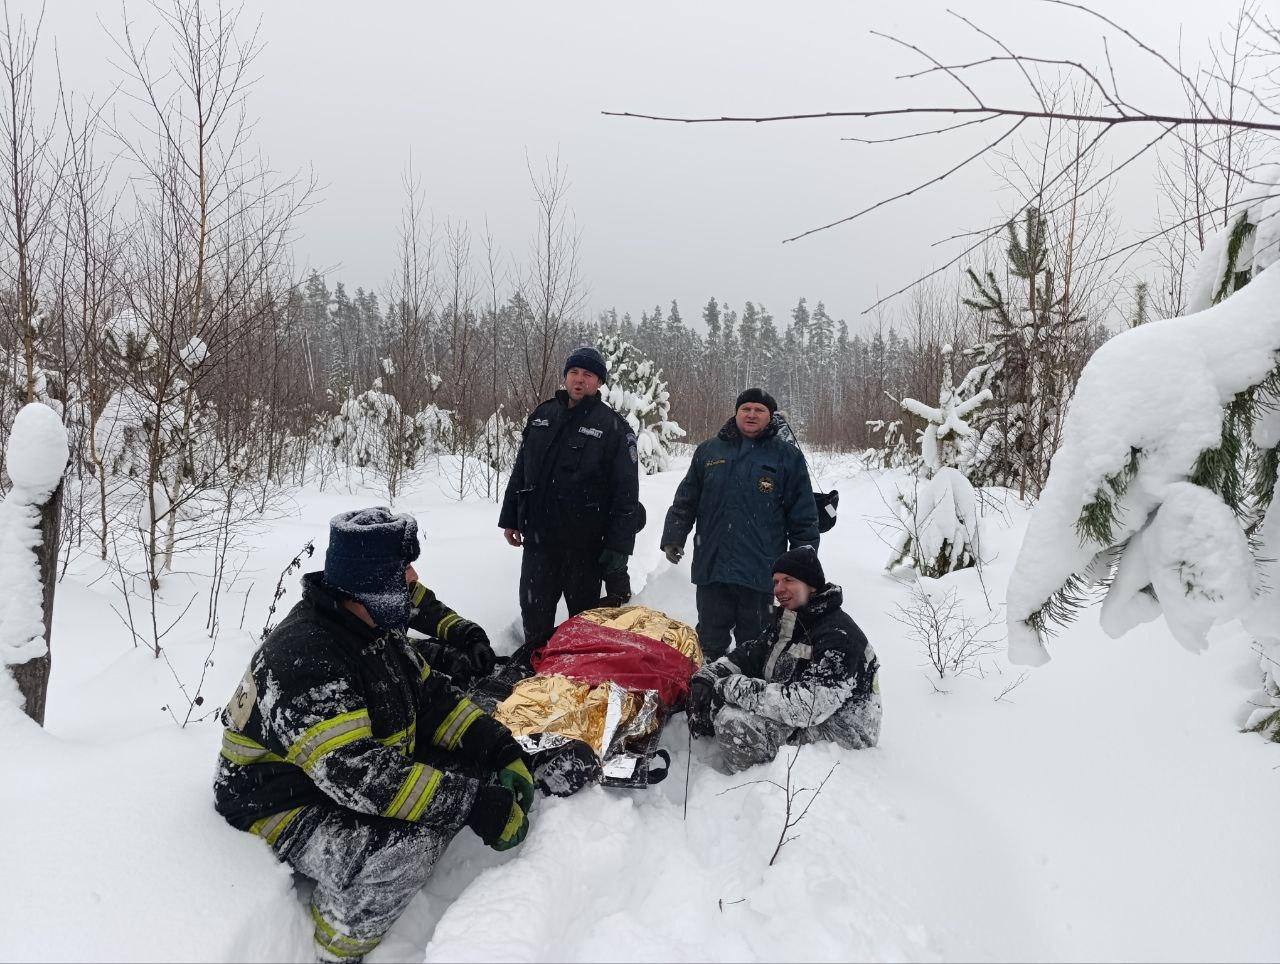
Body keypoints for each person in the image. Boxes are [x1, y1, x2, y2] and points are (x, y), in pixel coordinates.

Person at [214, 508, 534, 963]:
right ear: (370, 584)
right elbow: (365, 779)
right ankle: (335, 946)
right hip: (276, 801)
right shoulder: (307, 660)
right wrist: (473, 804)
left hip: (342, 769)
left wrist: (498, 748)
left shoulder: (368, 622)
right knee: (406, 849)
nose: (413, 577)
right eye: (403, 570)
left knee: (464, 771)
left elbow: (430, 697)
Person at [687, 547, 881, 772]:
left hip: (840, 735)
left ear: (812, 585)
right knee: (718, 700)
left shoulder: (840, 636)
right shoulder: (793, 619)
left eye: (788, 580)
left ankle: (754, 783)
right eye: (776, 581)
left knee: (734, 723)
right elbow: (752, 654)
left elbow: (808, 707)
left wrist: (729, 688)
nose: (779, 589)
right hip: (805, 713)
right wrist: (709, 677)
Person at [499, 346, 640, 656]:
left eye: (587, 375)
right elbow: (522, 469)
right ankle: (534, 671)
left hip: (584, 547)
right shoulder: (543, 415)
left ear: (599, 382)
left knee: (582, 622)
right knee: (535, 616)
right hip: (539, 542)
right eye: (574, 373)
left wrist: (618, 552)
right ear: (565, 377)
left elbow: (626, 496)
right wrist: (510, 518)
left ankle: (573, 679)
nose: (579, 380)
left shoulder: (614, 428)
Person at [661, 388, 819, 660]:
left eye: (759, 410)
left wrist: (803, 562)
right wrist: (674, 536)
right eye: (746, 409)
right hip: (713, 567)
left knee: (756, 645)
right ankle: (706, 692)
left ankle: (748, 695)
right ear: (736, 413)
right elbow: (686, 499)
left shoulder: (786, 457)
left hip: (761, 572)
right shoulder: (709, 451)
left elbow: (803, 515)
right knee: (708, 642)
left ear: (771, 417)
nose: (751, 414)